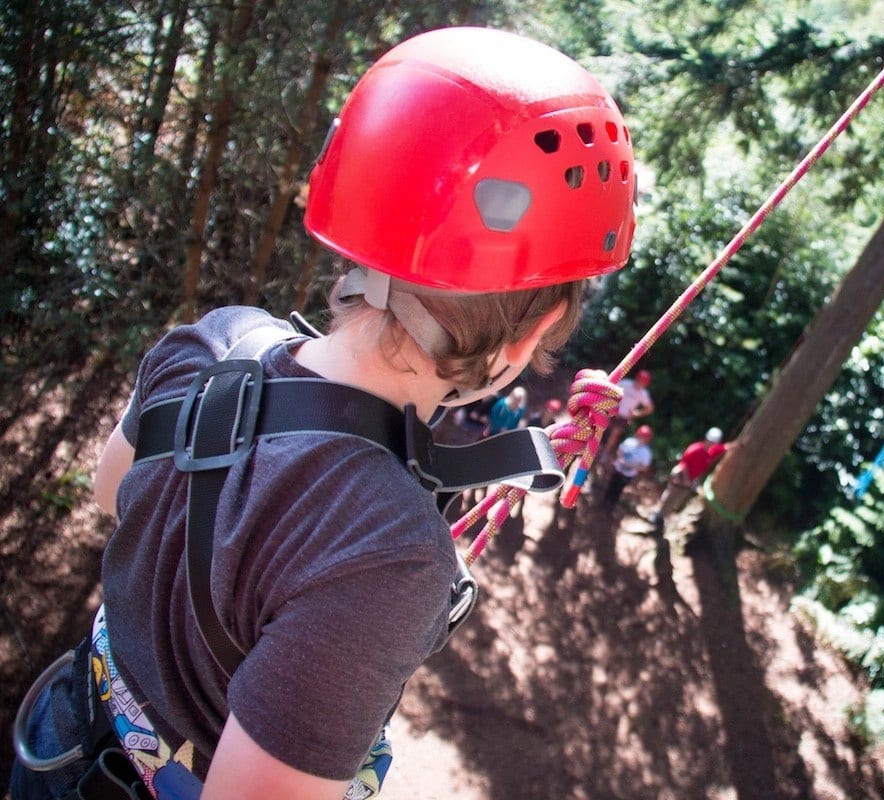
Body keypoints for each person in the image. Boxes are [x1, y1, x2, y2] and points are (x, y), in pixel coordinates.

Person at [10, 26, 637, 800]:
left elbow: (117, 493)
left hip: (62, 736)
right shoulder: (392, 554)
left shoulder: (218, 340)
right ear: (538, 328)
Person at [650, 427, 732, 525]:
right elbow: (683, 464)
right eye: (710, 441)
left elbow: (725, 447)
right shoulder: (695, 449)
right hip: (681, 477)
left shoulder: (712, 452)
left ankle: (663, 518)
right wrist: (686, 478)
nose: (711, 444)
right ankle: (657, 515)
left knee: (677, 500)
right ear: (706, 439)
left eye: (714, 443)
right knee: (670, 497)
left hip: (691, 481)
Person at [600, 369, 654, 460]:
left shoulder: (643, 394)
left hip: (624, 417)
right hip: (612, 411)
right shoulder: (625, 384)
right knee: (601, 428)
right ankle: (593, 447)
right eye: (639, 381)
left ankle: (604, 454)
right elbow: (612, 391)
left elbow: (650, 408)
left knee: (614, 435)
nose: (640, 384)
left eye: (643, 383)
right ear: (636, 379)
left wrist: (636, 414)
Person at [603, 425, 654, 508]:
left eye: (644, 438)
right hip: (619, 468)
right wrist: (620, 459)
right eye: (641, 436)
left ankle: (611, 505)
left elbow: (645, 467)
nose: (642, 439)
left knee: (618, 489)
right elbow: (620, 450)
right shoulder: (629, 441)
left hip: (628, 474)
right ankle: (604, 502)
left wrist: (634, 467)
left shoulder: (646, 453)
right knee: (611, 485)